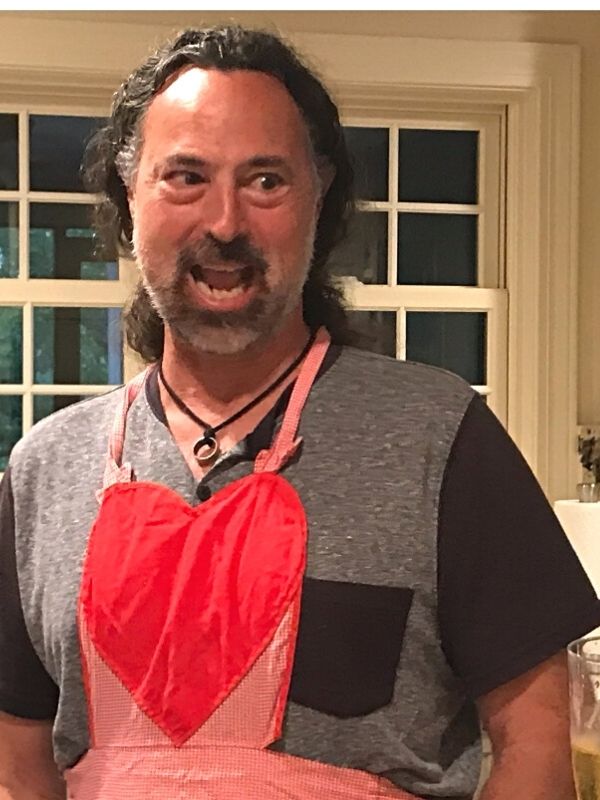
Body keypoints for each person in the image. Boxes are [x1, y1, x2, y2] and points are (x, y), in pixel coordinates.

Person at [0, 24, 598, 800]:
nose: (224, 222)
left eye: (265, 181)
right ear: (129, 197)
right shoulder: (44, 469)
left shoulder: (438, 439)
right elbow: (19, 762)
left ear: (320, 199)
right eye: (185, 177)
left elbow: (537, 744)